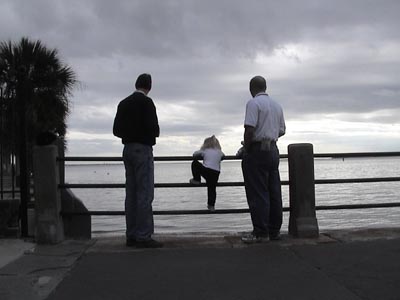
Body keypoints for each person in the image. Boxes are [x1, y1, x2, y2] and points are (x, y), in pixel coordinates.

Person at [113, 73, 163, 248]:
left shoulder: (123, 103)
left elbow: (116, 130)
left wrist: (129, 133)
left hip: (127, 150)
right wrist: (146, 133)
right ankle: (144, 236)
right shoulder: (147, 103)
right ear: (149, 87)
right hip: (143, 149)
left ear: (136, 84)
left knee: (131, 193)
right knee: (145, 193)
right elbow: (154, 129)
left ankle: (131, 234)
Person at [241, 76, 286, 243]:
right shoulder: (277, 105)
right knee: (274, 191)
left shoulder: (253, 104)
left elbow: (249, 130)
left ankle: (260, 232)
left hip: (257, 151)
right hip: (273, 149)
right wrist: (270, 135)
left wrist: (246, 148)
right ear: (265, 87)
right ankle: (274, 230)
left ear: (251, 88)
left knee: (258, 191)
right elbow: (282, 130)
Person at [190, 135, 225, 211]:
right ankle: (211, 206)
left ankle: (197, 179)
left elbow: (195, 154)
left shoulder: (205, 150)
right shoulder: (219, 152)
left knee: (194, 163)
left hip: (207, 171)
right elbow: (223, 156)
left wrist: (201, 155)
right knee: (212, 189)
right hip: (216, 173)